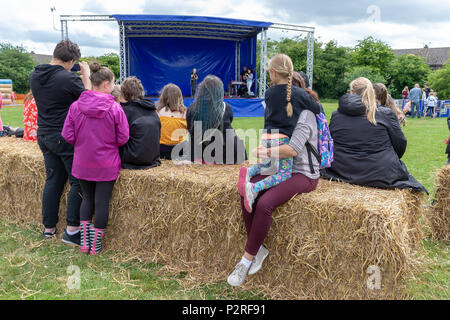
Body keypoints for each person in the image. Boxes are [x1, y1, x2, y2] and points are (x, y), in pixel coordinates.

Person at [227, 54, 322, 287]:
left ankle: (246, 260)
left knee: (264, 203)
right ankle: (257, 249)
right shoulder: (289, 111)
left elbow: (291, 150)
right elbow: (274, 136)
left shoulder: (306, 116)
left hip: (303, 173)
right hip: (279, 164)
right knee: (247, 192)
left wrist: (265, 152)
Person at [237, 54, 321, 213]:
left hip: (267, 137)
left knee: (267, 165)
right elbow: (316, 109)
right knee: (283, 175)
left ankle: (249, 171)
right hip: (282, 141)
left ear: (274, 73)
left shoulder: (269, 93)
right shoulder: (299, 94)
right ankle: (254, 188)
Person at [62, 62, 129, 255]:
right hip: (106, 163)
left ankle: (84, 243)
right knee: (101, 202)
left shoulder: (75, 106)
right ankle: (96, 246)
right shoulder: (115, 108)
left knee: (87, 199)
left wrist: (82, 143)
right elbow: (123, 137)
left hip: (82, 161)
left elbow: (67, 135)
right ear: (106, 84)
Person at [30, 40, 91, 244]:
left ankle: (49, 229)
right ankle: (72, 230)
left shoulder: (35, 75)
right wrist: (86, 77)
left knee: (53, 180)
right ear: (71, 60)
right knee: (78, 181)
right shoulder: (67, 79)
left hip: (44, 135)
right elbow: (88, 101)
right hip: (63, 136)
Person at [320, 77, 427, 193]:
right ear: (371, 91)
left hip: (341, 170)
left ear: (351, 92)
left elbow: (330, 143)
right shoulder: (386, 114)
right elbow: (400, 145)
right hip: (380, 172)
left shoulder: (337, 114)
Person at [182, 75, 247, 164]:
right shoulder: (226, 108)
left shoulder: (191, 110)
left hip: (202, 154)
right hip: (230, 153)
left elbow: (191, 131)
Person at [120, 76, 161, 169]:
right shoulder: (153, 111)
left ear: (124, 93)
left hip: (132, 161)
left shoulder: (123, 112)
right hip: (153, 160)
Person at [157, 83, 188, 160]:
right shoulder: (184, 112)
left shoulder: (158, 111)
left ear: (163, 97)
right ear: (179, 97)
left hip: (161, 149)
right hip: (180, 149)